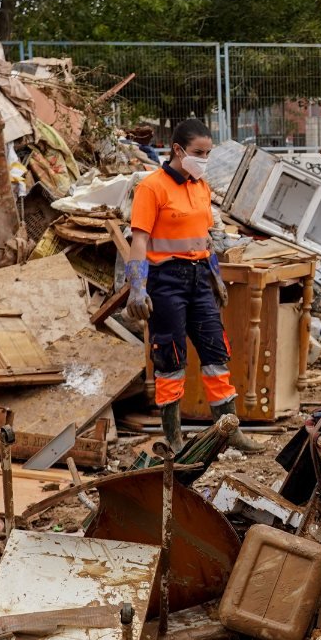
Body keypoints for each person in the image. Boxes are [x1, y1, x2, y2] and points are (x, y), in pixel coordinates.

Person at [124, 118, 255, 451]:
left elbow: (206, 238)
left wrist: (216, 277)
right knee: (170, 358)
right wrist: (138, 288)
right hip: (165, 282)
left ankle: (230, 430)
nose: (204, 159)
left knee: (215, 352)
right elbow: (139, 241)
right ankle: (174, 438)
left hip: (199, 278)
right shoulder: (151, 188)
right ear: (178, 150)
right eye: (199, 152)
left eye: (208, 152)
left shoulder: (201, 187)